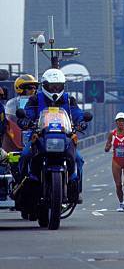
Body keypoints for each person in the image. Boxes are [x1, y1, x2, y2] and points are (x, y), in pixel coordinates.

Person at [17, 69, 86, 202]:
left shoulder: (69, 100)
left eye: (58, 86)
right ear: (44, 85)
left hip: (64, 138)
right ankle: (22, 185)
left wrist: (81, 121)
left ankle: (75, 188)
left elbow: (78, 113)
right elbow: (27, 113)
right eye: (52, 86)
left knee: (78, 159)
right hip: (40, 137)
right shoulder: (35, 99)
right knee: (25, 155)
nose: (55, 89)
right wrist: (25, 120)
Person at [105, 112, 124, 212]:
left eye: (122, 121)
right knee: (118, 185)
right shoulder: (112, 134)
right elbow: (107, 146)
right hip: (116, 161)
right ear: (116, 122)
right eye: (119, 121)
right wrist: (108, 147)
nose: (121, 123)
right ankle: (121, 203)